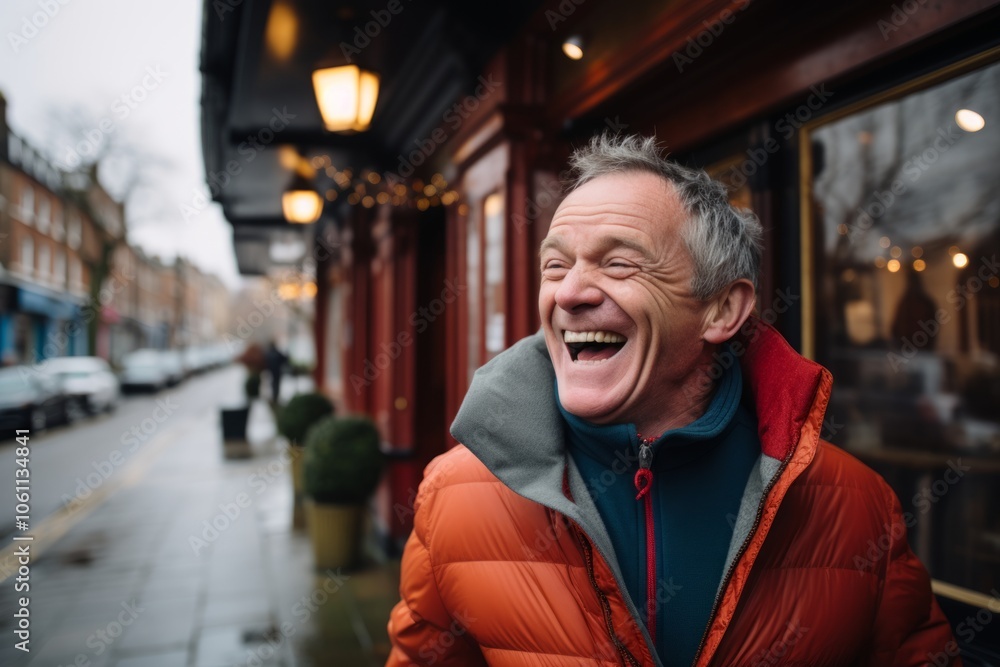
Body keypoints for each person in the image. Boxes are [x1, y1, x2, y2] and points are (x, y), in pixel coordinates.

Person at [386, 135, 959, 666]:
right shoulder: (454, 495)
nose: (569, 292)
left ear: (722, 311)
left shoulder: (857, 507)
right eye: (555, 266)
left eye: (619, 263)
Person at [264, 339, 288, 404]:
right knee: (276, 385)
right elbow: (284, 359)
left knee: (273, 384)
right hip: (277, 372)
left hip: (271, 372)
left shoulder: (268, 353)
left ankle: (274, 398)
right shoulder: (276, 352)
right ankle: (275, 398)